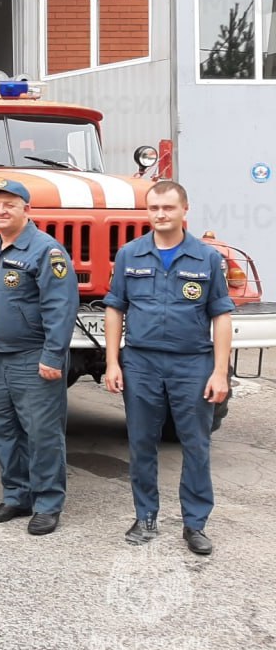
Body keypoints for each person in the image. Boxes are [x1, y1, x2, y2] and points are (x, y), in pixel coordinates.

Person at [103, 180, 234, 556]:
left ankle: (195, 524)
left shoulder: (206, 258)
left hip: (192, 363)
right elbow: (115, 308)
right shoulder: (130, 254)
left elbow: (221, 316)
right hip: (141, 362)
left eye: (168, 208)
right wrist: (113, 361)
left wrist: (220, 371)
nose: (161, 215)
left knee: (196, 444)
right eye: (154, 208)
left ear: (184, 211)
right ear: (148, 212)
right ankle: (145, 516)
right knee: (141, 442)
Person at [0, 179, 79, 536]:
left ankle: (48, 503)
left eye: (9, 204)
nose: (1, 211)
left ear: (27, 210)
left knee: (42, 434)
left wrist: (53, 356)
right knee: (3, 431)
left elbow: (60, 308)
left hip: (34, 358)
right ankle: (17, 496)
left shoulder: (46, 251)